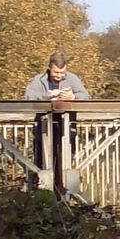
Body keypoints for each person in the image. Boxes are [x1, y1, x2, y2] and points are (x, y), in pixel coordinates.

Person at [24, 52, 89, 193]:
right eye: (56, 72)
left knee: (64, 163)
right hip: (43, 129)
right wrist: (46, 96)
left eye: (62, 73)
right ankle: (43, 194)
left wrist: (73, 97)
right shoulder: (39, 80)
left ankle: (63, 194)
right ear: (49, 67)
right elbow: (28, 96)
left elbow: (86, 96)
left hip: (66, 129)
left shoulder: (73, 79)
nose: (59, 76)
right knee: (41, 162)